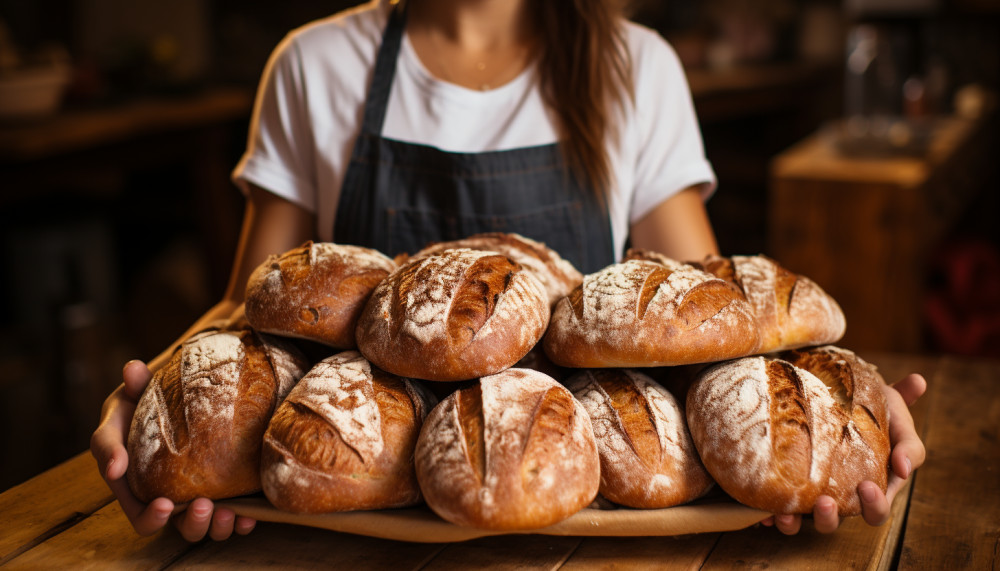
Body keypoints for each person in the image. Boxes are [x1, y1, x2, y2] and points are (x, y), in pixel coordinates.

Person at [90, 0, 926, 542]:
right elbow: (249, 317)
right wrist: (156, 395)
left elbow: (716, 322)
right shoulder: (314, 66)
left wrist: (841, 403)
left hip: (584, 509)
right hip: (348, 533)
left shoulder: (636, 66)